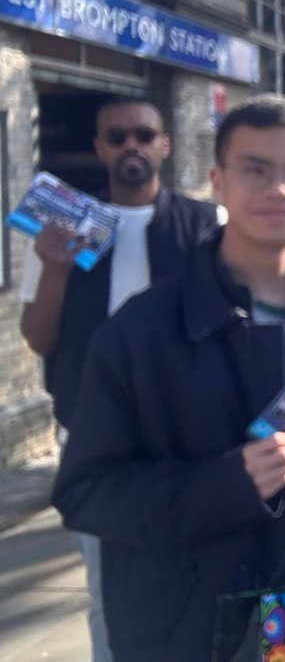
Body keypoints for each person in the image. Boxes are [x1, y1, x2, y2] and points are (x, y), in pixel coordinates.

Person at [51, 94, 285, 662]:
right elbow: (86, 493)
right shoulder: (141, 331)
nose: (278, 190)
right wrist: (223, 486)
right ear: (217, 182)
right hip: (196, 624)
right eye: (255, 170)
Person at [20, 96, 219, 662]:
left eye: (143, 134)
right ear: (100, 147)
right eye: (117, 136)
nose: (131, 145)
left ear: (165, 144)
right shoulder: (63, 229)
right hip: (93, 435)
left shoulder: (206, 227)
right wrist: (54, 268)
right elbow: (38, 338)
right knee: (108, 589)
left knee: (197, 576)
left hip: (186, 434)